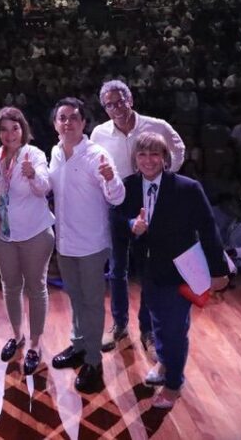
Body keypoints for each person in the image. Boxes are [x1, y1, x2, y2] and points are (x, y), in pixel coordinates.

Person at [115, 132, 229, 410]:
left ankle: (174, 384)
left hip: (182, 271)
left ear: (165, 158)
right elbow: (116, 218)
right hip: (149, 271)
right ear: (135, 159)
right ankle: (165, 364)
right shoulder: (128, 186)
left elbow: (208, 229)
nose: (148, 160)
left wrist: (218, 270)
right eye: (142, 154)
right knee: (158, 323)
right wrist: (132, 224)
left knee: (174, 328)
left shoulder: (188, 188)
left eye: (155, 154)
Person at [90, 79, 185, 353]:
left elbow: (178, 150)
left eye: (120, 101)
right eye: (109, 104)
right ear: (104, 108)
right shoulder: (99, 133)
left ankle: (148, 329)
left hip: (149, 202)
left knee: (149, 268)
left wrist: (163, 177)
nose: (116, 108)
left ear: (130, 99)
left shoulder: (156, 126)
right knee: (117, 268)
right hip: (117, 204)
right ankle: (119, 324)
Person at [48, 97, 125, 393]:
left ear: (83, 123)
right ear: (56, 124)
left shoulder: (96, 154)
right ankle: (79, 345)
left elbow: (116, 196)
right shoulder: (55, 152)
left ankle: (94, 362)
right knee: (76, 298)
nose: (67, 123)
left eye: (73, 118)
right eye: (62, 118)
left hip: (91, 243)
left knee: (92, 303)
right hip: (65, 242)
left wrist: (110, 179)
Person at [0, 106, 53, 375]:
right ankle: (17, 335)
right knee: (10, 286)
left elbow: (45, 188)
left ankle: (35, 345)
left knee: (36, 288)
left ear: (23, 130)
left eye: (15, 128)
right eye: (4, 129)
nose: (10, 134)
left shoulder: (33, 154)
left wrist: (32, 174)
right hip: (3, 234)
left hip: (35, 233)